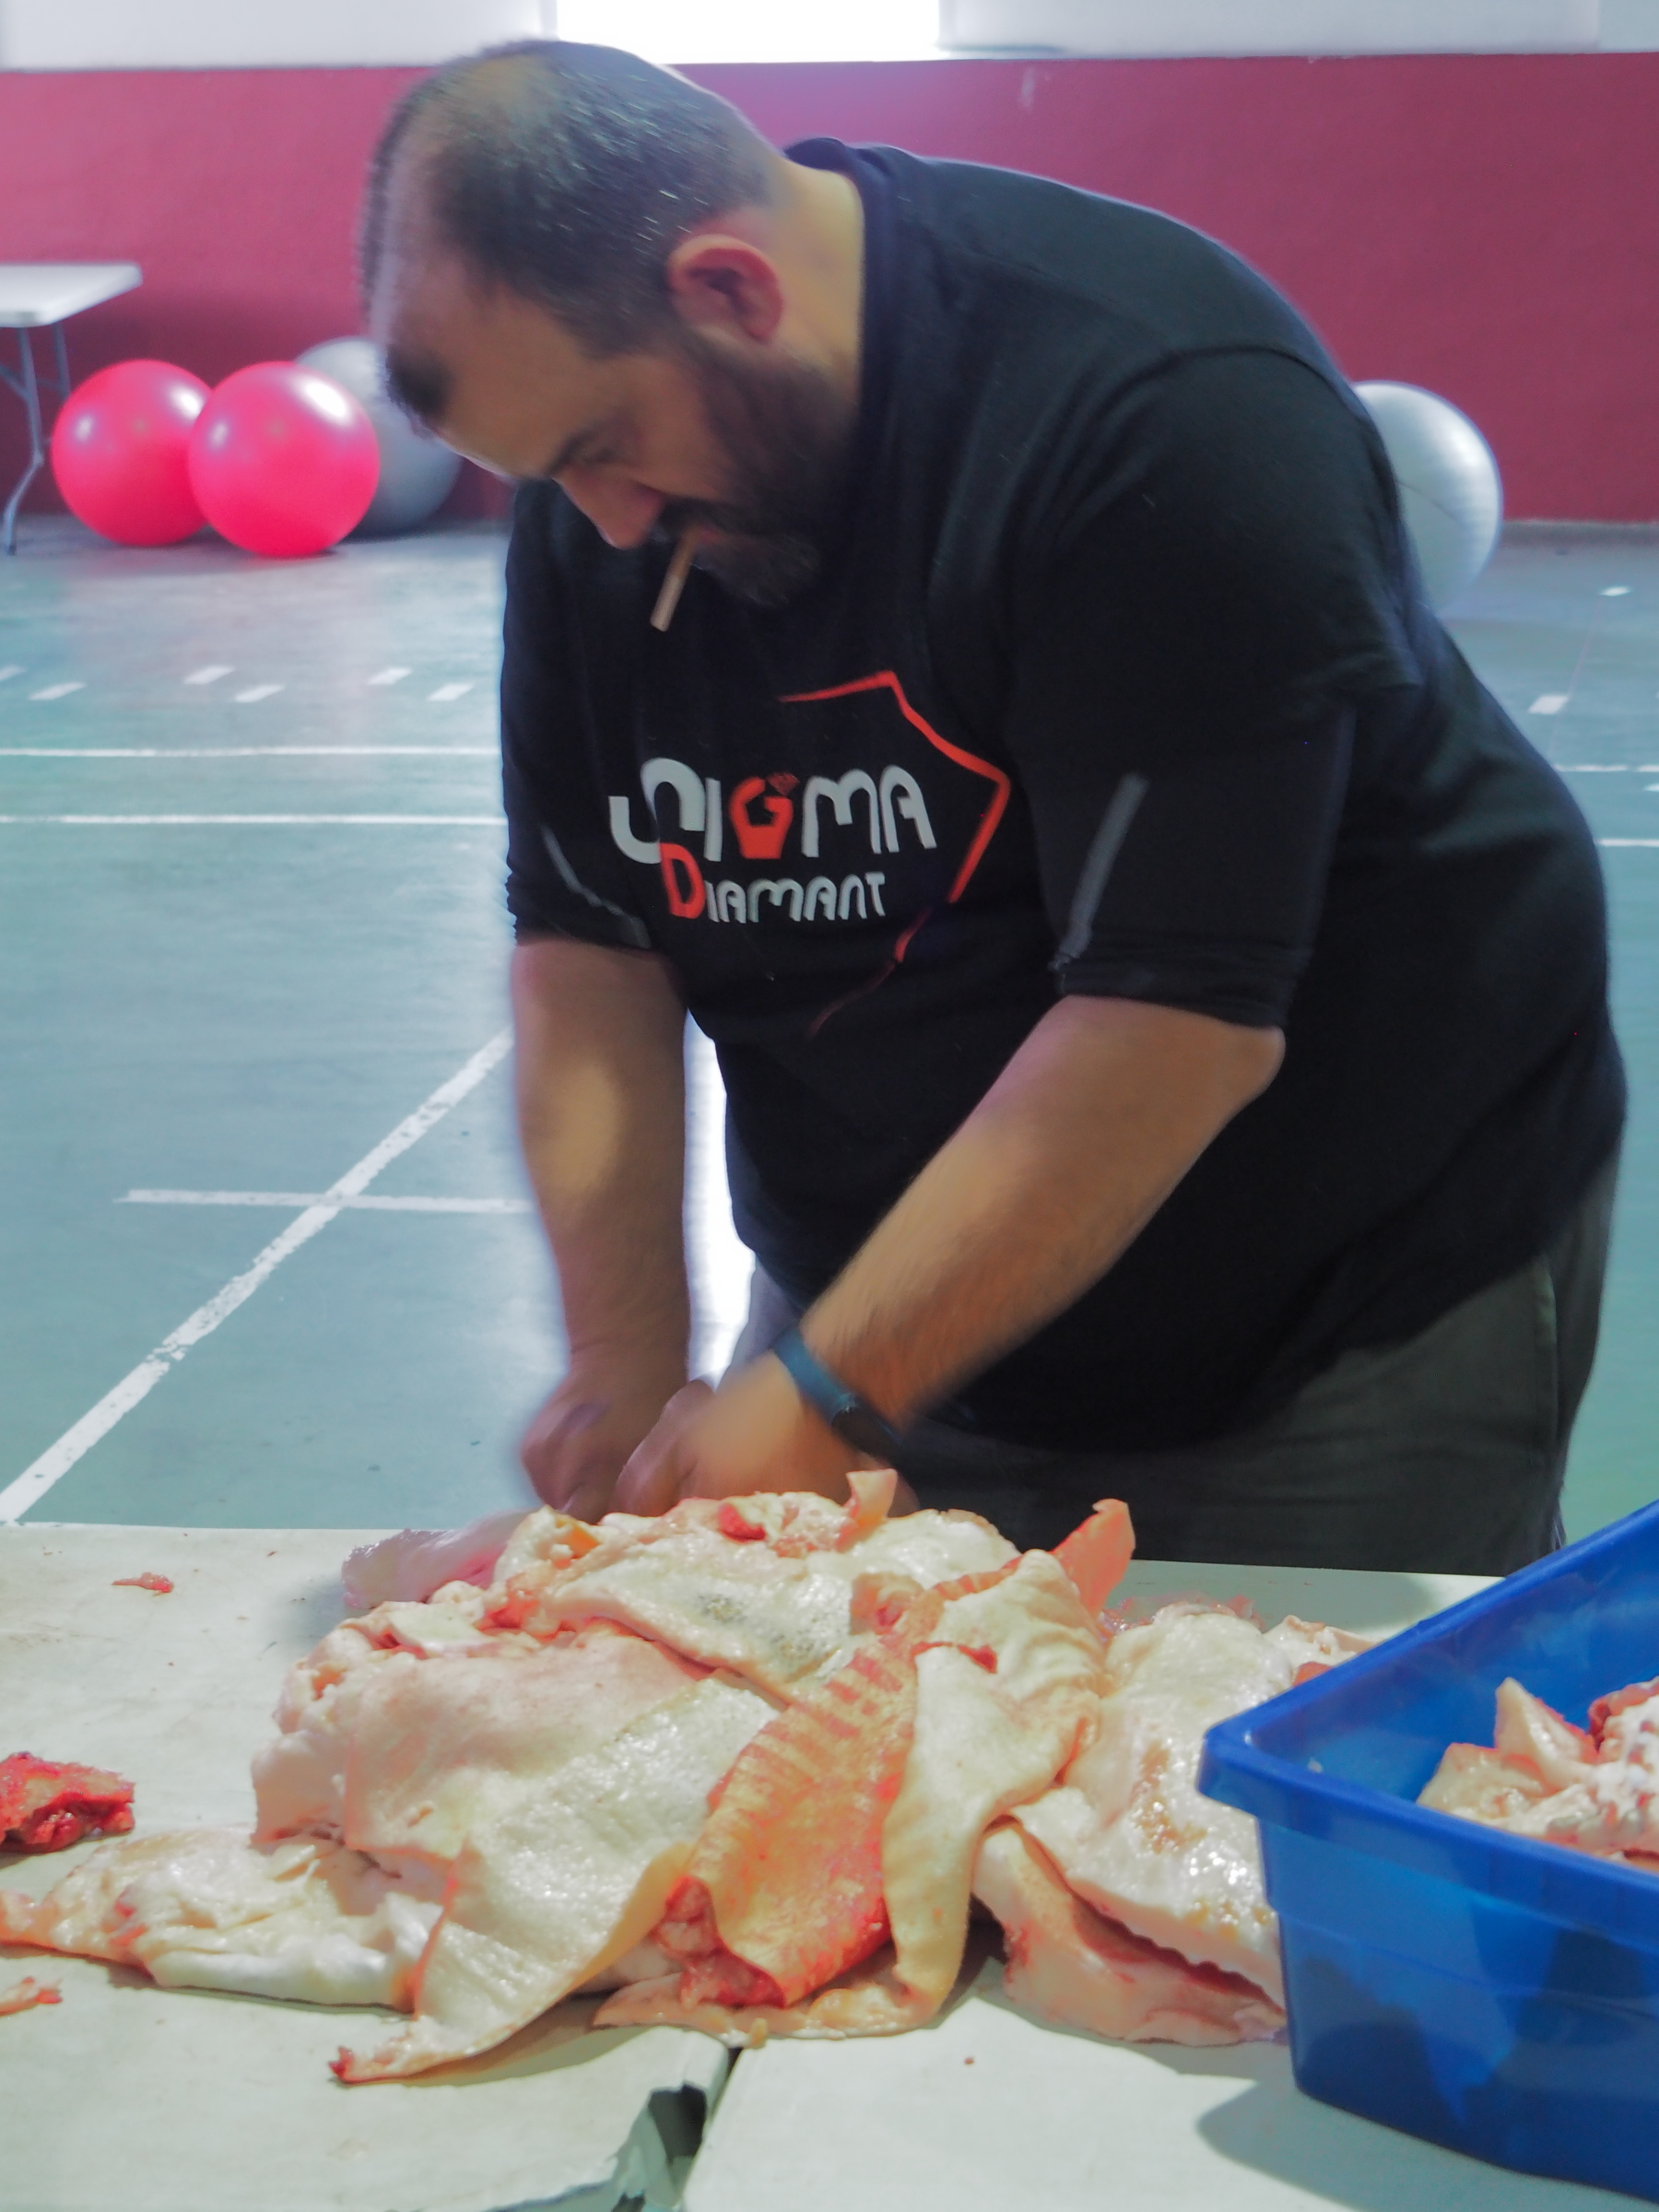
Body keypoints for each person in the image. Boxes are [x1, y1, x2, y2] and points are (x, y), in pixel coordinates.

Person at [361, 40, 1623, 1571]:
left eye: (602, 453)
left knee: (1283, 1711)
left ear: (733, 291)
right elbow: (590, 950)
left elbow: (1172, 1028)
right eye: (546, 480)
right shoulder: (619, 497)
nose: (605, 528)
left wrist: (829, 1392)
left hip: (1340, 1281)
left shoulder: (1159, 414)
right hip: (893, 1281)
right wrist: (626, 1372)